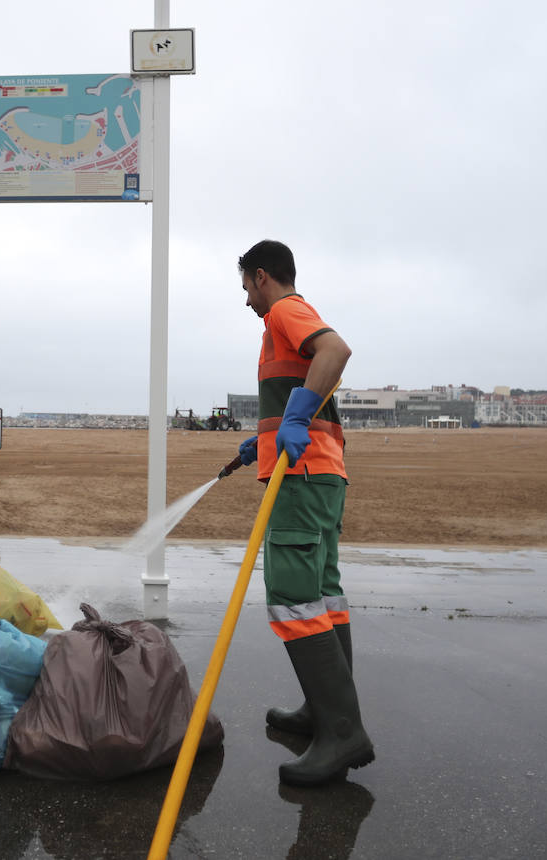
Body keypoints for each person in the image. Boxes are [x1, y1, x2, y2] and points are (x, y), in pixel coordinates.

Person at [235, 238, 375, 787]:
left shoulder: (285, 311)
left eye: (246, 286)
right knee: (322, 595)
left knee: (293, 600)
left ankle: (343, 733)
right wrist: (266, 434)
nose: (246, 299)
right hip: (319, 474)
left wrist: (291, 420)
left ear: (263, 277)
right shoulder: (286, 321)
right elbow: (308, 390)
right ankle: (324, 712)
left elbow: (335, 352)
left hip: (302, 477)